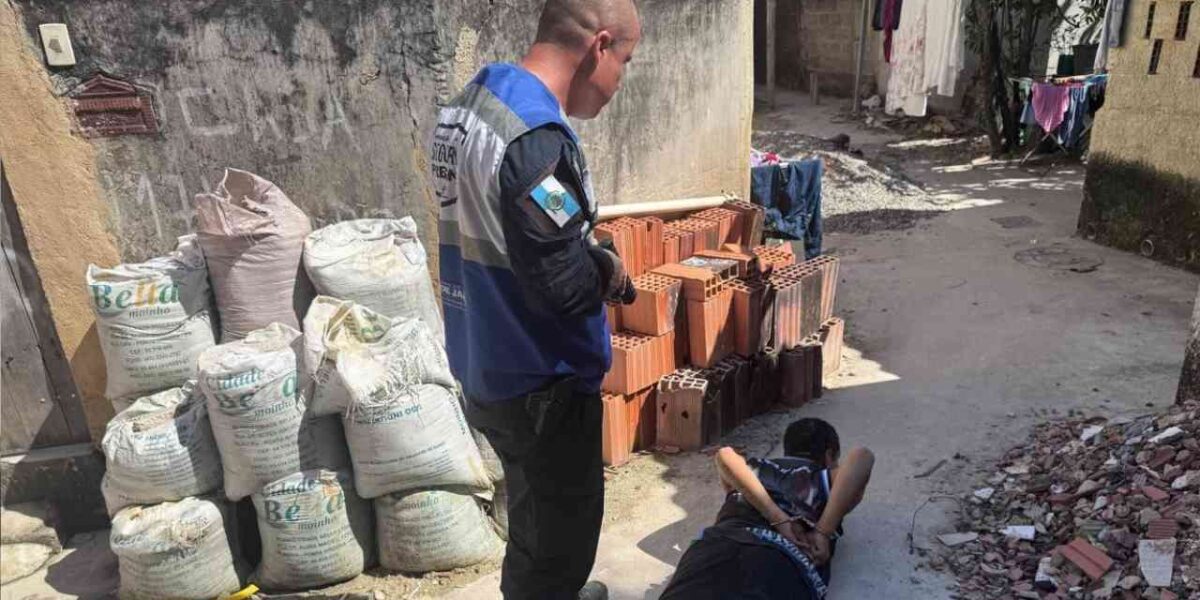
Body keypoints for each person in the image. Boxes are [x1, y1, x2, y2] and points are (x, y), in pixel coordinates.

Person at [430, 1, 642, 599]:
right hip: (540, 380)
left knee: (532, 519)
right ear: (598, 46)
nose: (620, 82)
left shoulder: (470, 106)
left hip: (484, 357)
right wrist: (605, 268)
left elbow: (531, 233)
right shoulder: (533, 138)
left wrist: (581, 246)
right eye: (625, 61)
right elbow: (564, 284)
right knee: (558, 547)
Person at [659, 418, 875, 600]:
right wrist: (822, 532)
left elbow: (725, 455)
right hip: (779, 562)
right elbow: (862, 457)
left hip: (715, 545)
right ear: (829, 456)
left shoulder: (754, 469)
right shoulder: (821, 477)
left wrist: (775, 515)